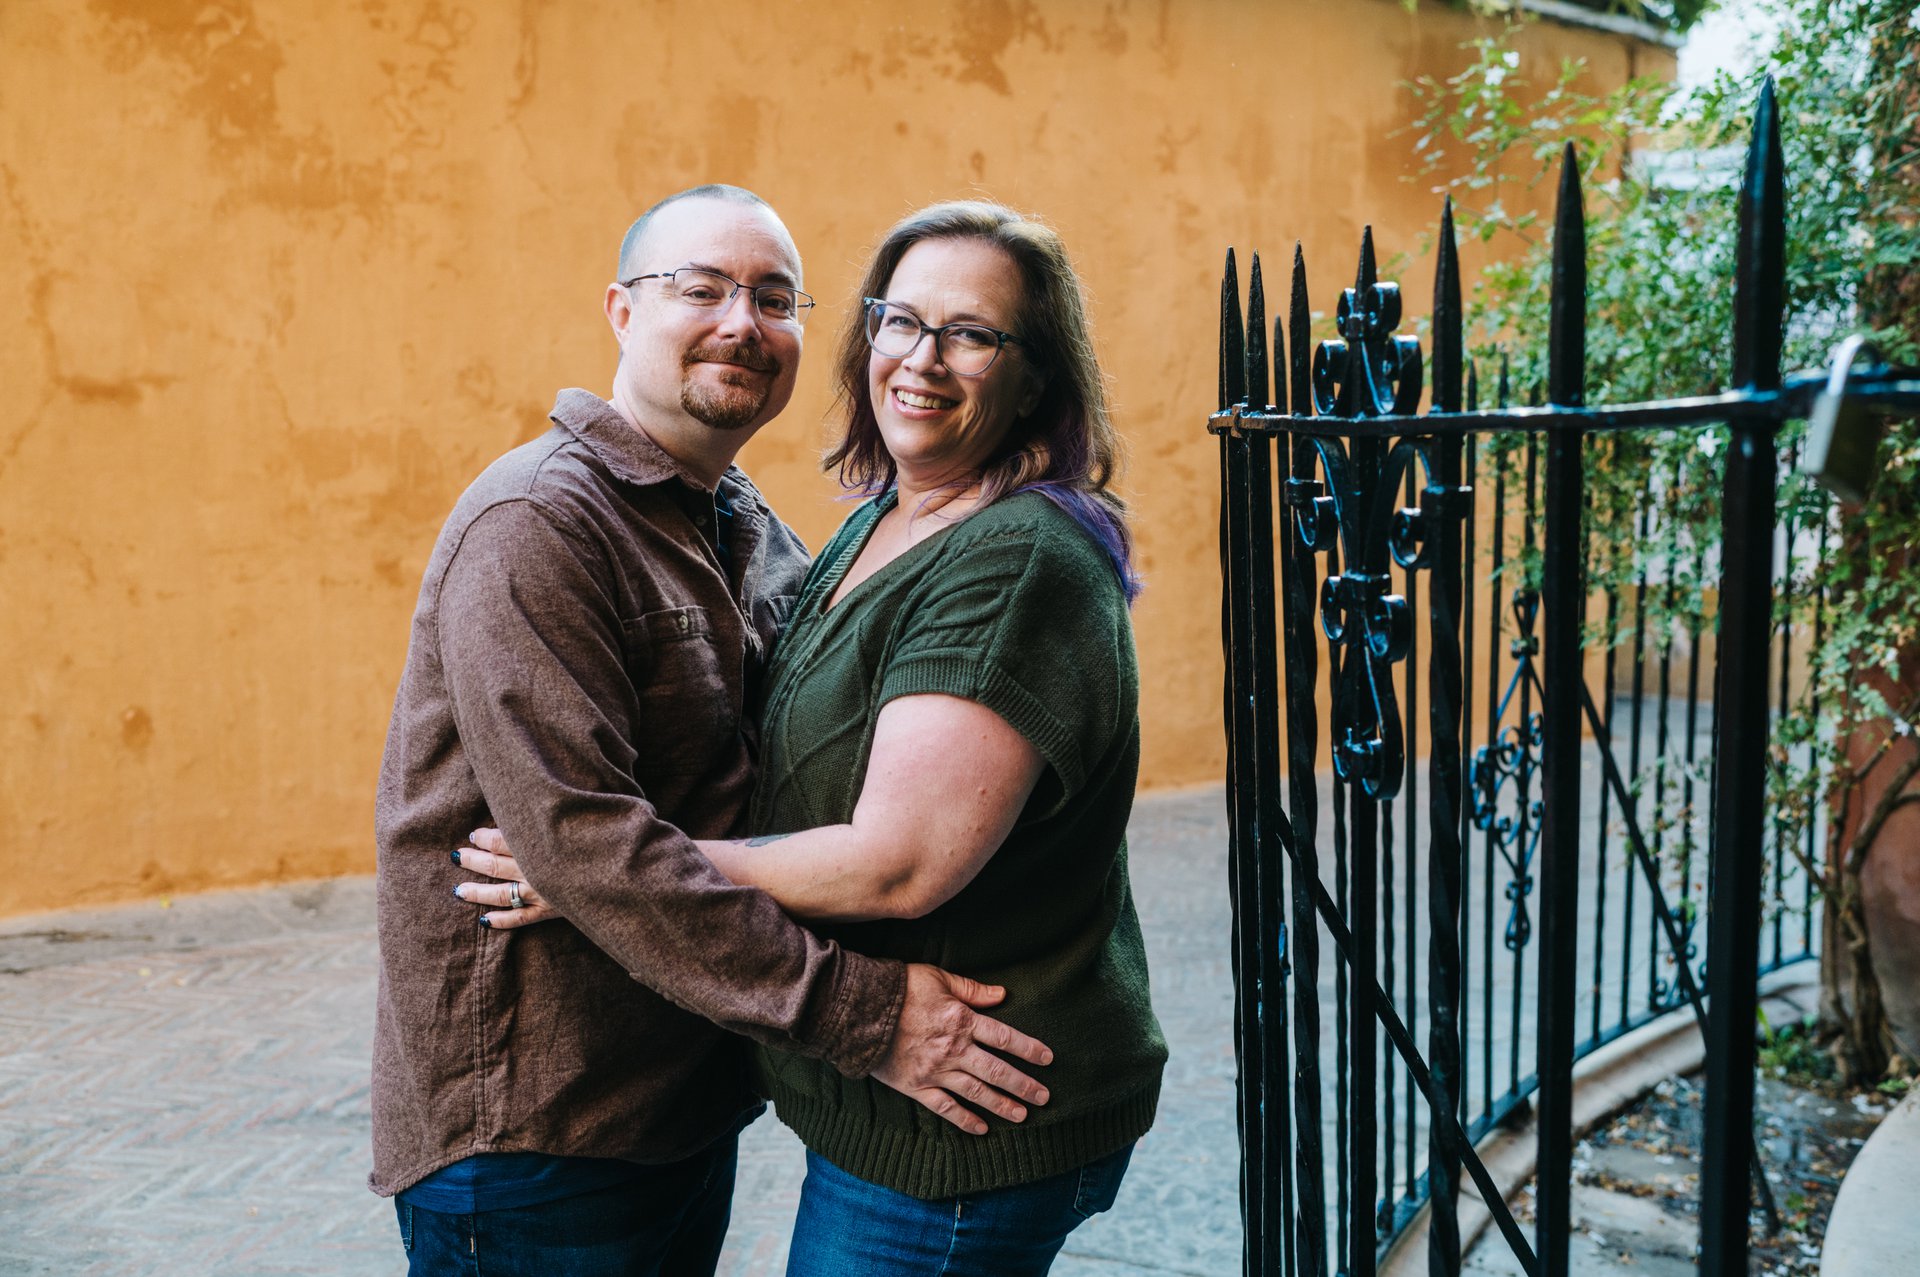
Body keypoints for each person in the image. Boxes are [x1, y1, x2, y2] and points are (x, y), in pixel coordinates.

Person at [458, 200, 1167, 1276]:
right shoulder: (881, 518)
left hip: (967, 1114)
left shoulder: (1014, 553)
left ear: (1035, 378)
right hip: (881, 1110)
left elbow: (899, 862)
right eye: (901, 320)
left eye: (972, 334)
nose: (921, 359)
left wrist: (590, 874)